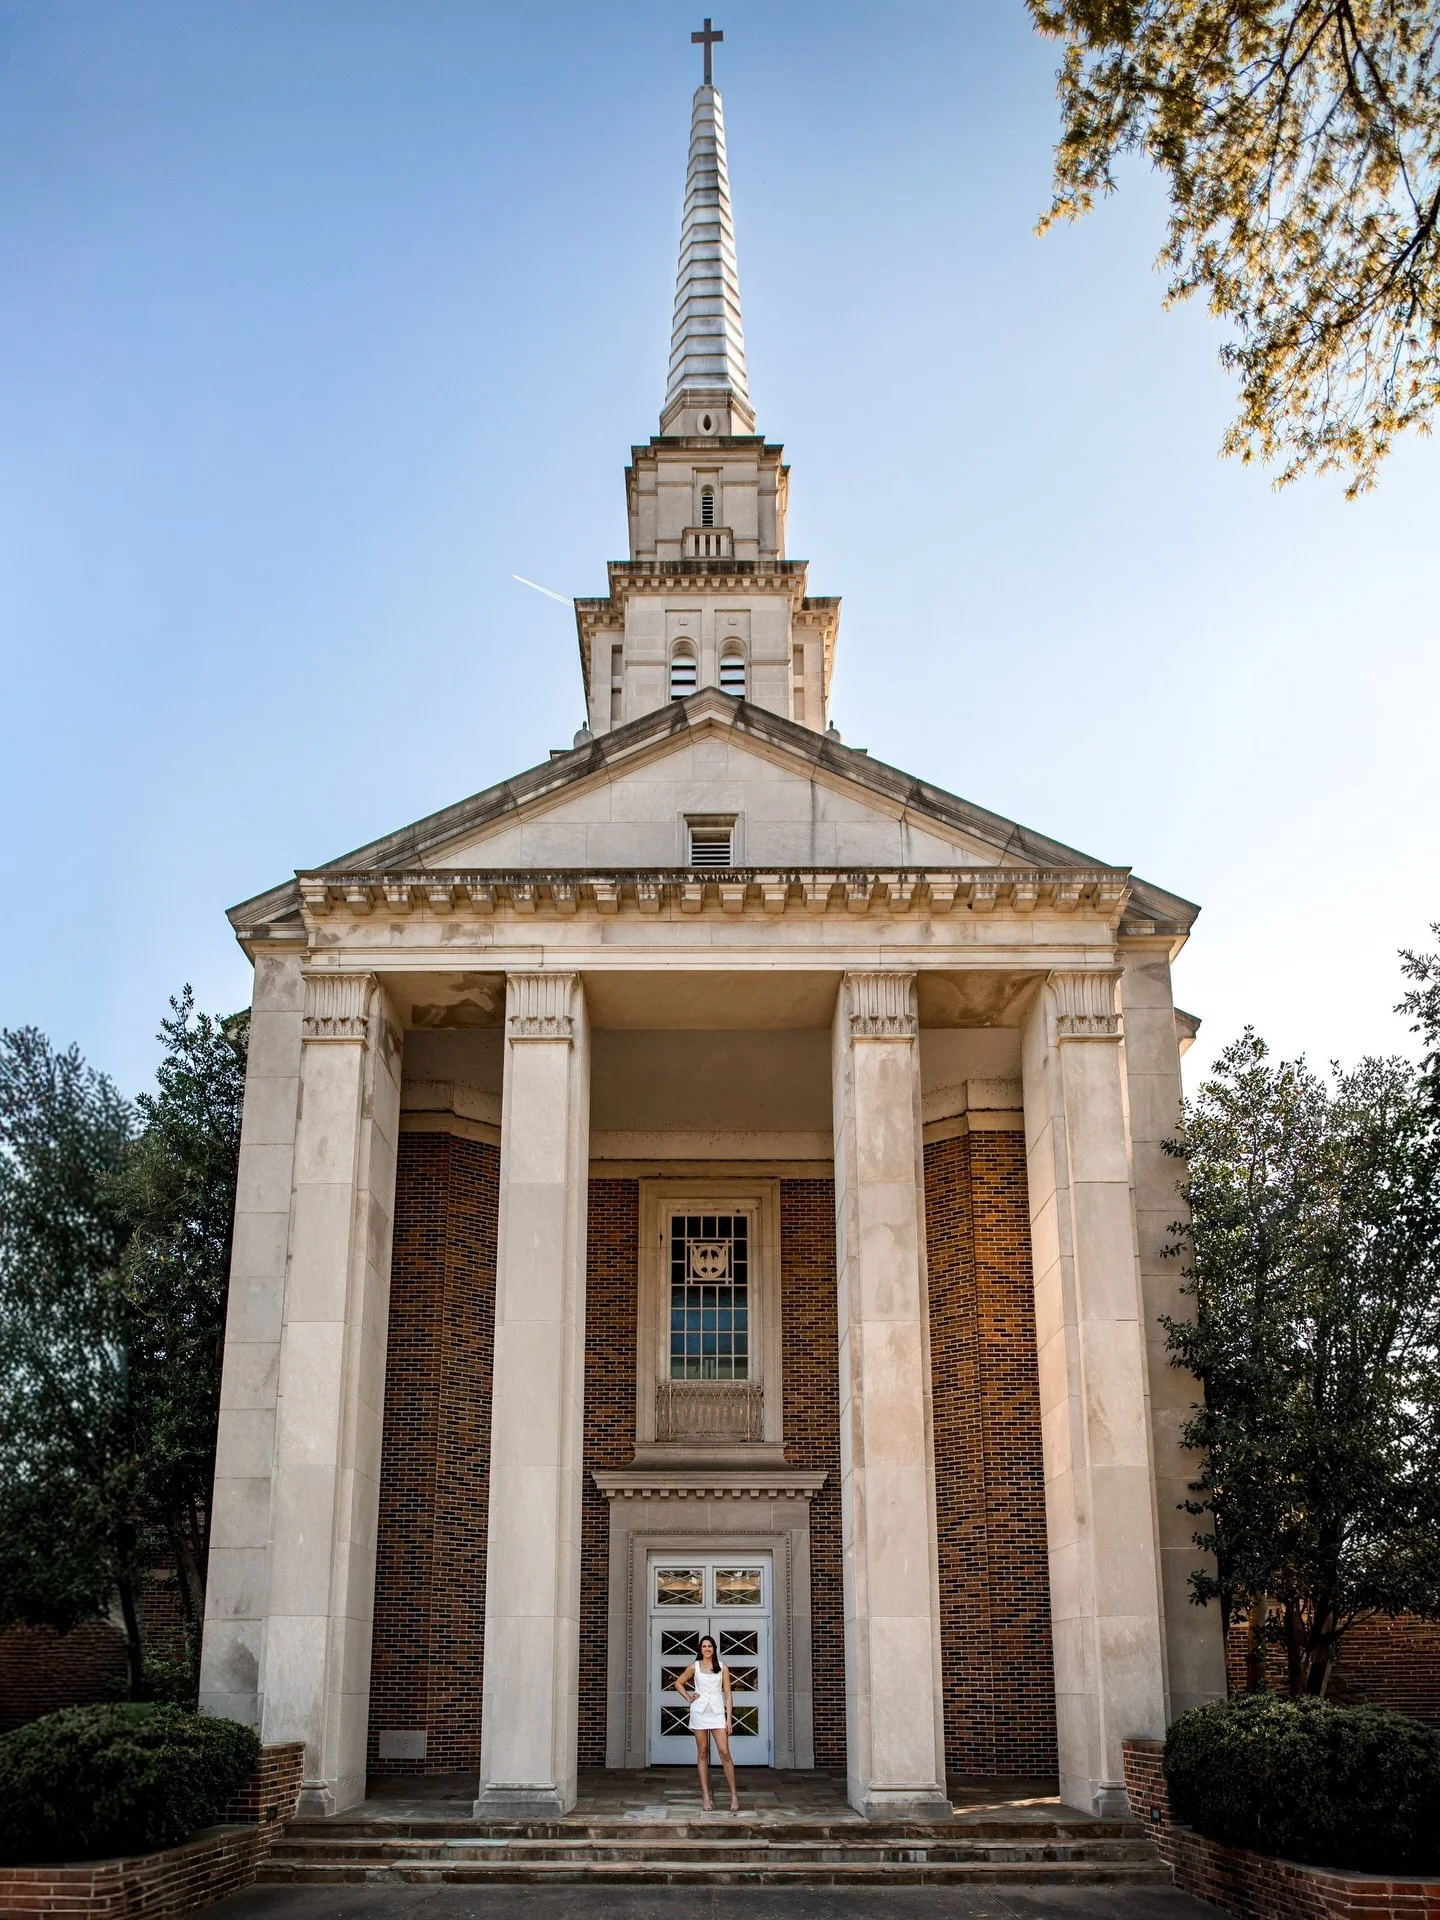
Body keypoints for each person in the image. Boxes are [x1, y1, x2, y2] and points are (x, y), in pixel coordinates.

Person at [673, 1633, 740, 1812]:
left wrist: (729, 1720)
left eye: (710, 1646)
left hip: (717, 1713)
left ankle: (734, 1795)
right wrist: (689, 1698)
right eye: (704, 1646)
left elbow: (728, 1695)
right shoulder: (694, 1667)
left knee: (724, 1753)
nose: (707, 1649)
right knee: (702, 1752)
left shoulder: (723, 1667)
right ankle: (706, 1796)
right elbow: (678, 1683)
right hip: (699, 1713)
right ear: (700, 1649)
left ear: (714, 1649)